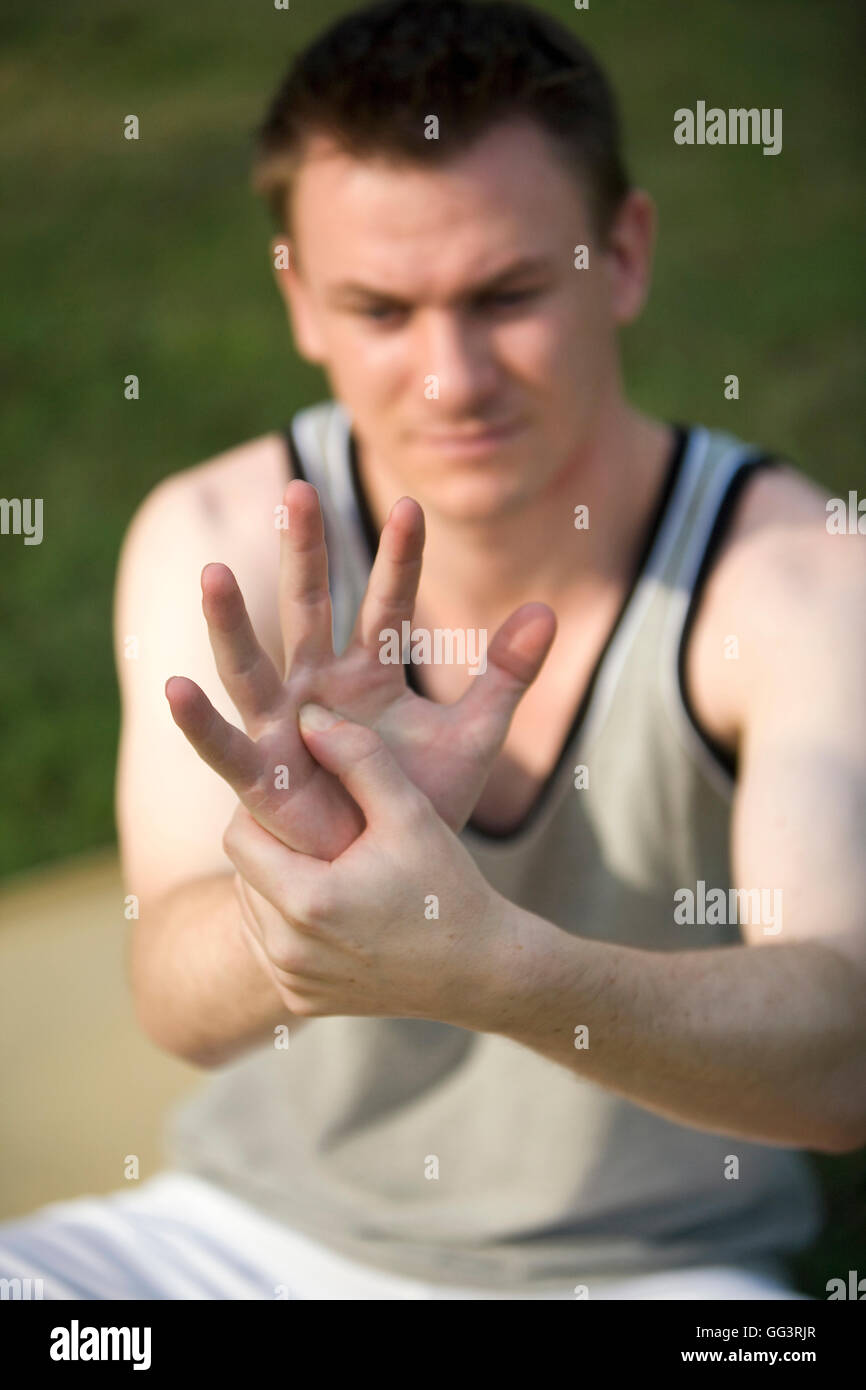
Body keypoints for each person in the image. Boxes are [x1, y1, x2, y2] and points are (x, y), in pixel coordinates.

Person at [2, 0, 863, 1301]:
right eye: (380, 308)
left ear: (621, 256)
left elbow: (843, 1054)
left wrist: (494, 967)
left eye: (507, 294)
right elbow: (176, 998)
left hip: (644, 1273)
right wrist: (310, 885)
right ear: (297, 297)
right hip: (227, 1243)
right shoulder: (216, 531)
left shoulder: (801, 577)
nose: (449, 377)